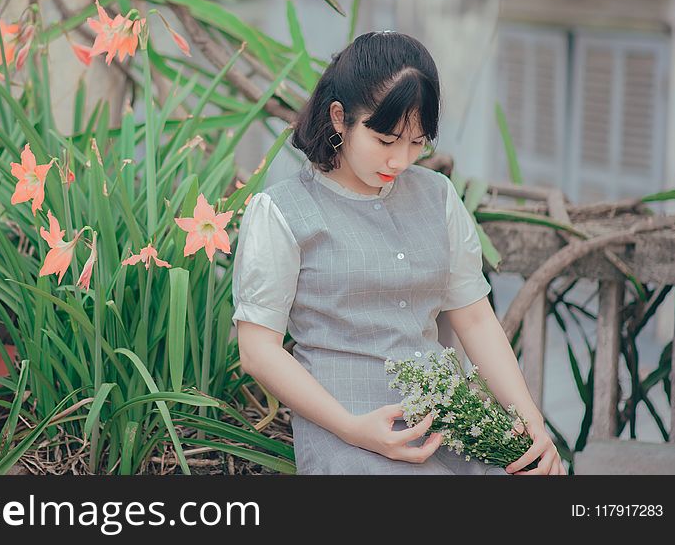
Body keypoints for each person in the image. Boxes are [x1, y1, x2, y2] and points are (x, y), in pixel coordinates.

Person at [232, 31, 566, 475]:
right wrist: (353, 429)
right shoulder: (281, 212)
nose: (400, 161)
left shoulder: (438, 195)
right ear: (339, 118)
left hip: (451, 425)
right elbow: (258, 352)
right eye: (386, 141)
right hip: (348, 436)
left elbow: (476, 318)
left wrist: (530, 423)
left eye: (417, 142)